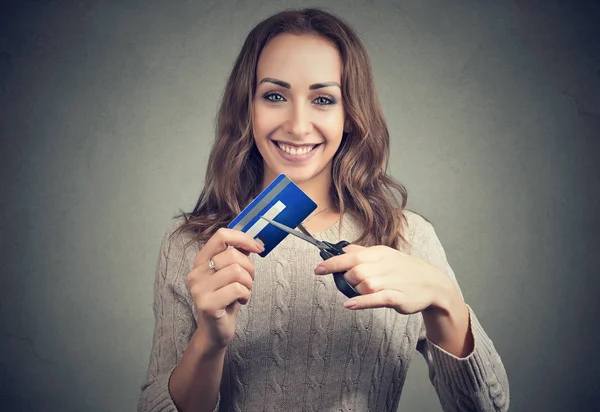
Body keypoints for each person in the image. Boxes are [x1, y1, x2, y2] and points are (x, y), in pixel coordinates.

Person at [138, 8, 509, 412]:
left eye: (323, 99)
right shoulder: (191, 247)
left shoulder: (408, 239)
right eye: (275, 96)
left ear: (349, 114)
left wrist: (444, 299)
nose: (298, 125)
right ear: (248, 107)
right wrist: (209, 342)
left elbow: (488, 408)